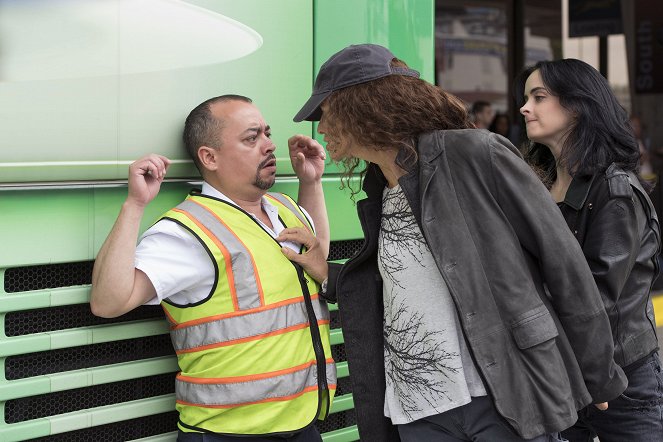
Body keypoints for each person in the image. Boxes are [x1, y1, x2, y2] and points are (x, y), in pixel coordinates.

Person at [280, 43, 627, 442]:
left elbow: (563, 263)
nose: (320, 129)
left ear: (362, 105)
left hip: (498, 394)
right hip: (416, 409)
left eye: (325, 114)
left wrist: (598, 371)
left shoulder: (474, 153)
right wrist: (329, 273)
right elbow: (403, 286)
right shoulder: (379, 187)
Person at [90, 95, 337, 441]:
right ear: (209, 157)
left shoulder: (284, 206)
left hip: (300, 424)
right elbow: (108, 301)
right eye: (251, 138)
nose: (269, 145)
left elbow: (315, 262)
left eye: (267, 133)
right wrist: (135, 205)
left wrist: (310, 183)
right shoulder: (187, 231)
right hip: (227, 433)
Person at [516, 58, 663, 442]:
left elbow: (596, 297)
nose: (524, 107)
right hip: (563, 374)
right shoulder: (541, 186)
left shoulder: (613, 190)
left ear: (578, 104)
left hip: (619, 377)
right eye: (526, 97)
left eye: (539, 96)